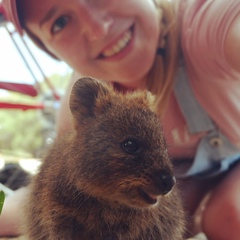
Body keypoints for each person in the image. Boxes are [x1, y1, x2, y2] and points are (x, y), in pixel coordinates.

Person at [1, 0, 240, 239]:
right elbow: (48, 188)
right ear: (50, 51)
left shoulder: (204, 27)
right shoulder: (89, 105)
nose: (99, 28)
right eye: (60, 23)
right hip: (175, 181)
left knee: (229, 215)